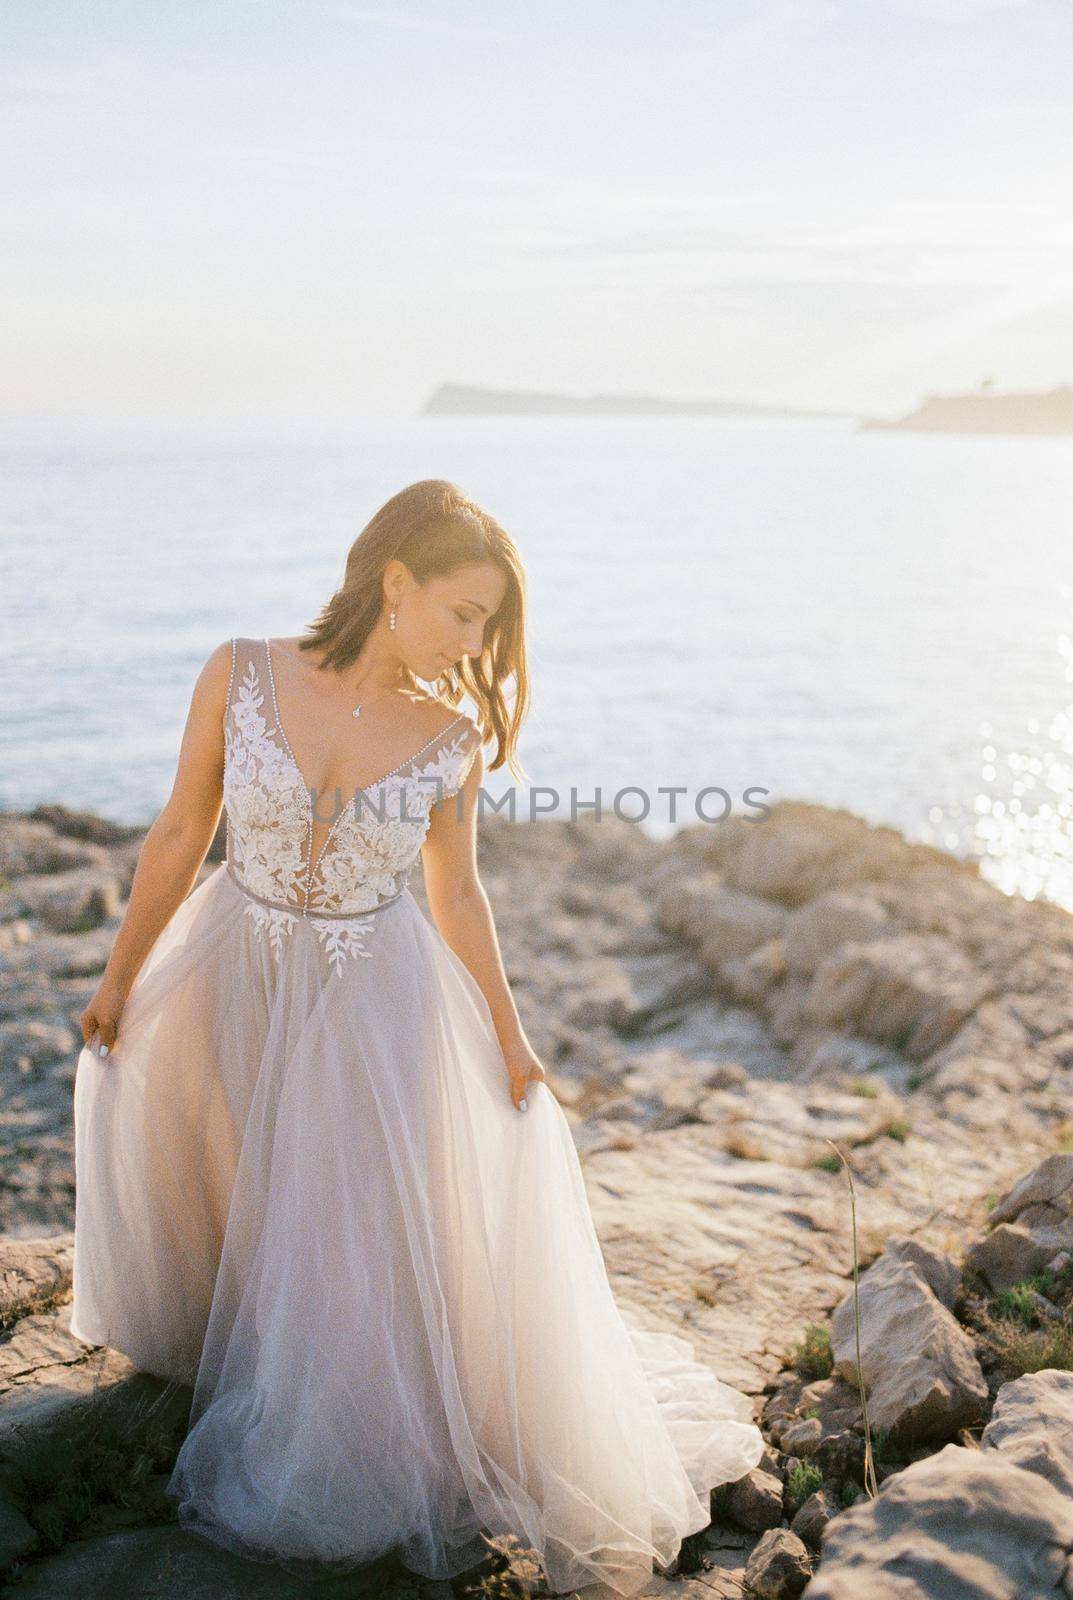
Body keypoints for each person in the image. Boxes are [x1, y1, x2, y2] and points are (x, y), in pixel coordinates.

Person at [70, 478, 765, 1597]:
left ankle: (335, 1427)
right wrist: (118, 977)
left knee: (343, 1227)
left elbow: (461, 900)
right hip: (231, 963)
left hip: (368, 993)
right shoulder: (241, 669)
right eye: (465, 611)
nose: (475, 640)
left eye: (487, 622)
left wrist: (510, 1036)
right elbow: (179, 830)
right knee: (223, 1171)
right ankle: (219, 1355)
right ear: (395, 582)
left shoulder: (451, 739)